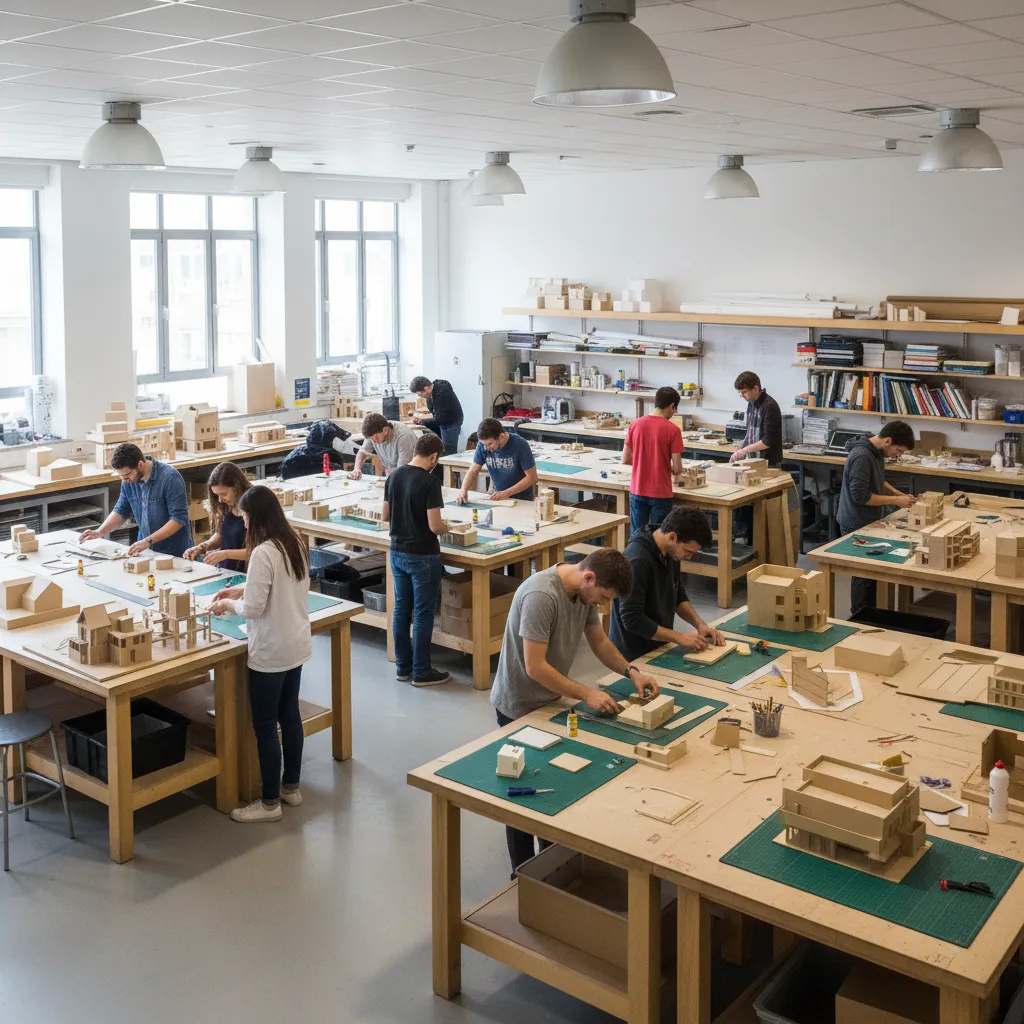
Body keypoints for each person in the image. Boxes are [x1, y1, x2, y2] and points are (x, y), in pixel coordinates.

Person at [491, 549, 661, 871]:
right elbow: (535, 667)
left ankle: (551, 864)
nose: (603, 604)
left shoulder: (583, 596)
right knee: (522, 790)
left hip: (552, 701)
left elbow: (599, 642)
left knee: (553, 784)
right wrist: (586, 694)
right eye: (603, 597)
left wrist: (631, 672)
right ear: (589, 577)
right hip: (519, 705)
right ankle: (523, 871)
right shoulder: (543, 595)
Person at [209, 486, 311, 823]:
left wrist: (227, 603)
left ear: (257, 516)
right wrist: (240, 587)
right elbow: (280, 585)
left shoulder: (263, 552)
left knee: (265, 725)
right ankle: (290, 789)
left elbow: (252, 608)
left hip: (270, 649)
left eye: (246, 516)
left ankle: (268, 804)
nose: (245, 522)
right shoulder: (293, 541)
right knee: (290, 716)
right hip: (295, 642)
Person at [610, 505, 725, 661]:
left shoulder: (670, 551)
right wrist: (678, 637)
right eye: (688, 551)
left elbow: (677, 594)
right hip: (633, 655)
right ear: (672, 537)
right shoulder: (637, 560)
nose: (689, 557)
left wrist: (699, 624)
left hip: (657, 646)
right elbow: (632, 619)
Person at [383, 432, 450, 687]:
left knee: (401, 610)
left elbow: (385, 515)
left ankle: (403, 667)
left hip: (397, 551)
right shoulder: (429, 482)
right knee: (422, 614)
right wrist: (448, 528)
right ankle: (421, 671)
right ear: (433, 456)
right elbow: (434, 526)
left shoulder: (395, 475)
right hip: (422, 554)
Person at [837, 421, 917, 615]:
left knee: (872, 574)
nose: (898, 455)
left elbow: (878, 480)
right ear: (888, 441)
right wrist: (896, 500)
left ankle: (872, 615)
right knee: (862, 576)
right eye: (898, 450)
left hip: (868, 520)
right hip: (855, 522)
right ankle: (860, 618)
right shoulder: (861, 456)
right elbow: (861, 496)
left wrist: (899, 494)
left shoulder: (876, 452)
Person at [80, 442, 191, 557]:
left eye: (127, 475)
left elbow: (178, 519)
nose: (125, 480)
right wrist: (100, 532)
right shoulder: (128, 481)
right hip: (145, 549)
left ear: (141, 465)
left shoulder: (170, 478)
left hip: (173, 551)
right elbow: (122, 510)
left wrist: (148, 541)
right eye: (121, 476)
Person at [622, 386, 684, 535]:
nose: (673, 413)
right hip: (660, 493)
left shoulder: (635, 424)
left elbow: (625, 459)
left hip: (638, 490)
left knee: (637, 537)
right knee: (660, 540)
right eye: (674, 409)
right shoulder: (673, 430)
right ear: (671, 406)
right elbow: (677, 469)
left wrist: (643, 462)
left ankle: (634, 559)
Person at [184, 461, 251, 571]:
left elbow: (255, 551)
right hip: (227, 571)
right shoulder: (227, 505)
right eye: (217, 495)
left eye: (224, 494)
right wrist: (202, 547)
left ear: (237, 487)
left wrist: (224, 554)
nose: (220, 500)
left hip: (246, 572)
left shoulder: (254, 505)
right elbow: (221, 534)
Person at [457, 418, 538, 503]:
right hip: (498, 497)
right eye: (484, 444)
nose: (486, 448)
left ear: (501, 437)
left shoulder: (520, 444)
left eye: (490, 444)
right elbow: (473, 470)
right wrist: (463, 490)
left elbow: (532, 478)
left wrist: (506, 493)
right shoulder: (483, 445)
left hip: (522, 499)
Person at [730, 371, 783, 467]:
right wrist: (741, 448)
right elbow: (750, 432)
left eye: (744, 392)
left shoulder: (769, 406)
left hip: (768, 463)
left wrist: (744, 451)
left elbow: (768, 441)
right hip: (752, 460)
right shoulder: (751, 403)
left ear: (755, 388)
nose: (741, 395)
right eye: (740, 392)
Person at [350, 412, 417, 480]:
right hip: (393, 472)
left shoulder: (404, 437)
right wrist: (357, 469)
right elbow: (362, 452)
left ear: (385, 430)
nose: (374, 441)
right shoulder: (373, 434)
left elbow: (402, 470)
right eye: (371, 439)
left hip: (411, 474)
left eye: (376, 437)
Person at [410, 376, 464, 456]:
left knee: (449, 451)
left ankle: (449, 466)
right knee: (439, 447)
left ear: (426, 388)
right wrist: (422, 420)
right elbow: (433, 412)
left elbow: (439, 416)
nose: (421, 397)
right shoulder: (431, 394)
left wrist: (421, 417)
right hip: (442, 421)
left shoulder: (442, 393)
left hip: (451, 422)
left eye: (421, 394)